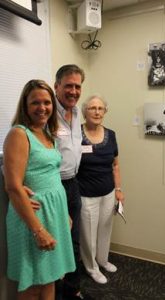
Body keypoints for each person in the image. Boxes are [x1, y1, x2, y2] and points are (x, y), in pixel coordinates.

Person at [3, 79, 75, 300]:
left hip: (53, 215)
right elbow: (13, 187)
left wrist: (64, 215)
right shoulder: (19, 133)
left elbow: (49, 175)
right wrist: (39, 230)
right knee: (33, 283)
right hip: (32, 218)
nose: (42, 108)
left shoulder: (46, 134)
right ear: (25, 105)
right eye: (35, 102)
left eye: (47, 102)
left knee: (51, 277)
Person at [54, 65, 93, 300]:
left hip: (73, 184)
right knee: (58, 245)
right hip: (54, 185)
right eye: (68, 85)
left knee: (74, 241)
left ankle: (73, 291)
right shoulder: (48, 112)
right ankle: (57, 295)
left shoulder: (77, 111)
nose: (74, 91)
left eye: (78, 86)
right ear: (56, 86)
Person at [77, 95, 125, 284]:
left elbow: (115, 165)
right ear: (84, 112)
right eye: (92, 108)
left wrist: (119, 189)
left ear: (105, 111)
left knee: (105, 228)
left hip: (108, 192)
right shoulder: (76, 133)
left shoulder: (111, 134)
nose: (97, 112)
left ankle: (102, 260)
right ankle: (91, 268)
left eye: (100, 108)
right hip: (85, 193)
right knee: (88, 234)